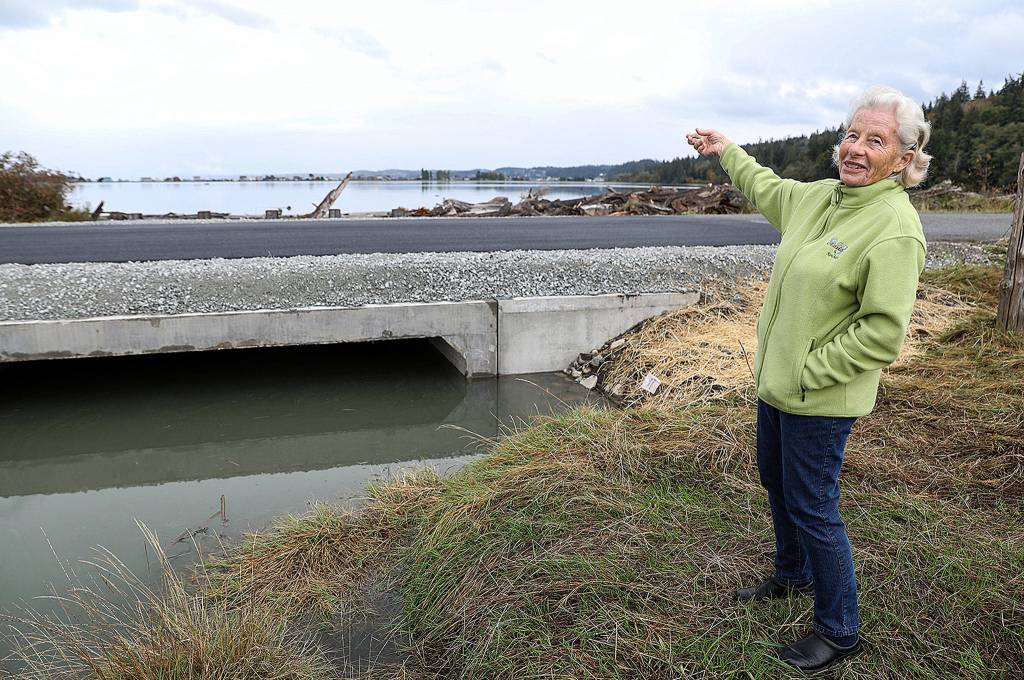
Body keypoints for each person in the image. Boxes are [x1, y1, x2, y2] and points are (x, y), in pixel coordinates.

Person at [686, 85, 931, 674]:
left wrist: (806, 374)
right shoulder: (820, 198)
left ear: (903, 159)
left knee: (814, 506)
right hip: (777, 388)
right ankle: (792, 574)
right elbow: (767, 187)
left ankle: (839, 630)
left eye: (876, 140)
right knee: (776, 480)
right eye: (852, 134)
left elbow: (882, 334)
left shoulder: (895, 229)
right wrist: (727, 150)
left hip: (819, 398)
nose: (856, 148)